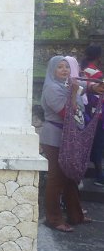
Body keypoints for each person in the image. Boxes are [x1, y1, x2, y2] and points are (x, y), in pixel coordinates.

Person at [40, 56, 90, 232]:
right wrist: (75, 93)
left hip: (67, 137)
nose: (64, 70)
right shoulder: (52, 88)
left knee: (70, 177)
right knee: (57, 177)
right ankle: (53, 219)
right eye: (59, 67)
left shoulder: (65, 85)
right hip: (54, 137)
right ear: (52, 70)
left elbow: (82, 88)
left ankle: (76, 215)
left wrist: (91, 87)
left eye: (66, 67)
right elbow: (67, 113)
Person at [80, 45, 104, 186]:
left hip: (84, 112)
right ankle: (100, 176)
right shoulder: (96, 73)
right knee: (98, 144)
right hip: (97, 113)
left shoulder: (82, 69)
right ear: (99, 56)